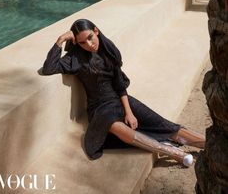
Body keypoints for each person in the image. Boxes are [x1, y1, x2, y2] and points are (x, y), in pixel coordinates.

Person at [42, 19, 205, 167]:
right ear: (77, 43)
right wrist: (61, 39)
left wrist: (129, 111)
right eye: (82, 42)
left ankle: (208, 143)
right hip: (100, 110)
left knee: (163, 125)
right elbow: (49, 68)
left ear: (96, 31)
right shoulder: (75, 58)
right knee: (120, 128)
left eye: (90, 37)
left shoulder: (108, 50)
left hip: (120, 101)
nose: (89, 44)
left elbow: (119, 85)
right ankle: (174, 153)